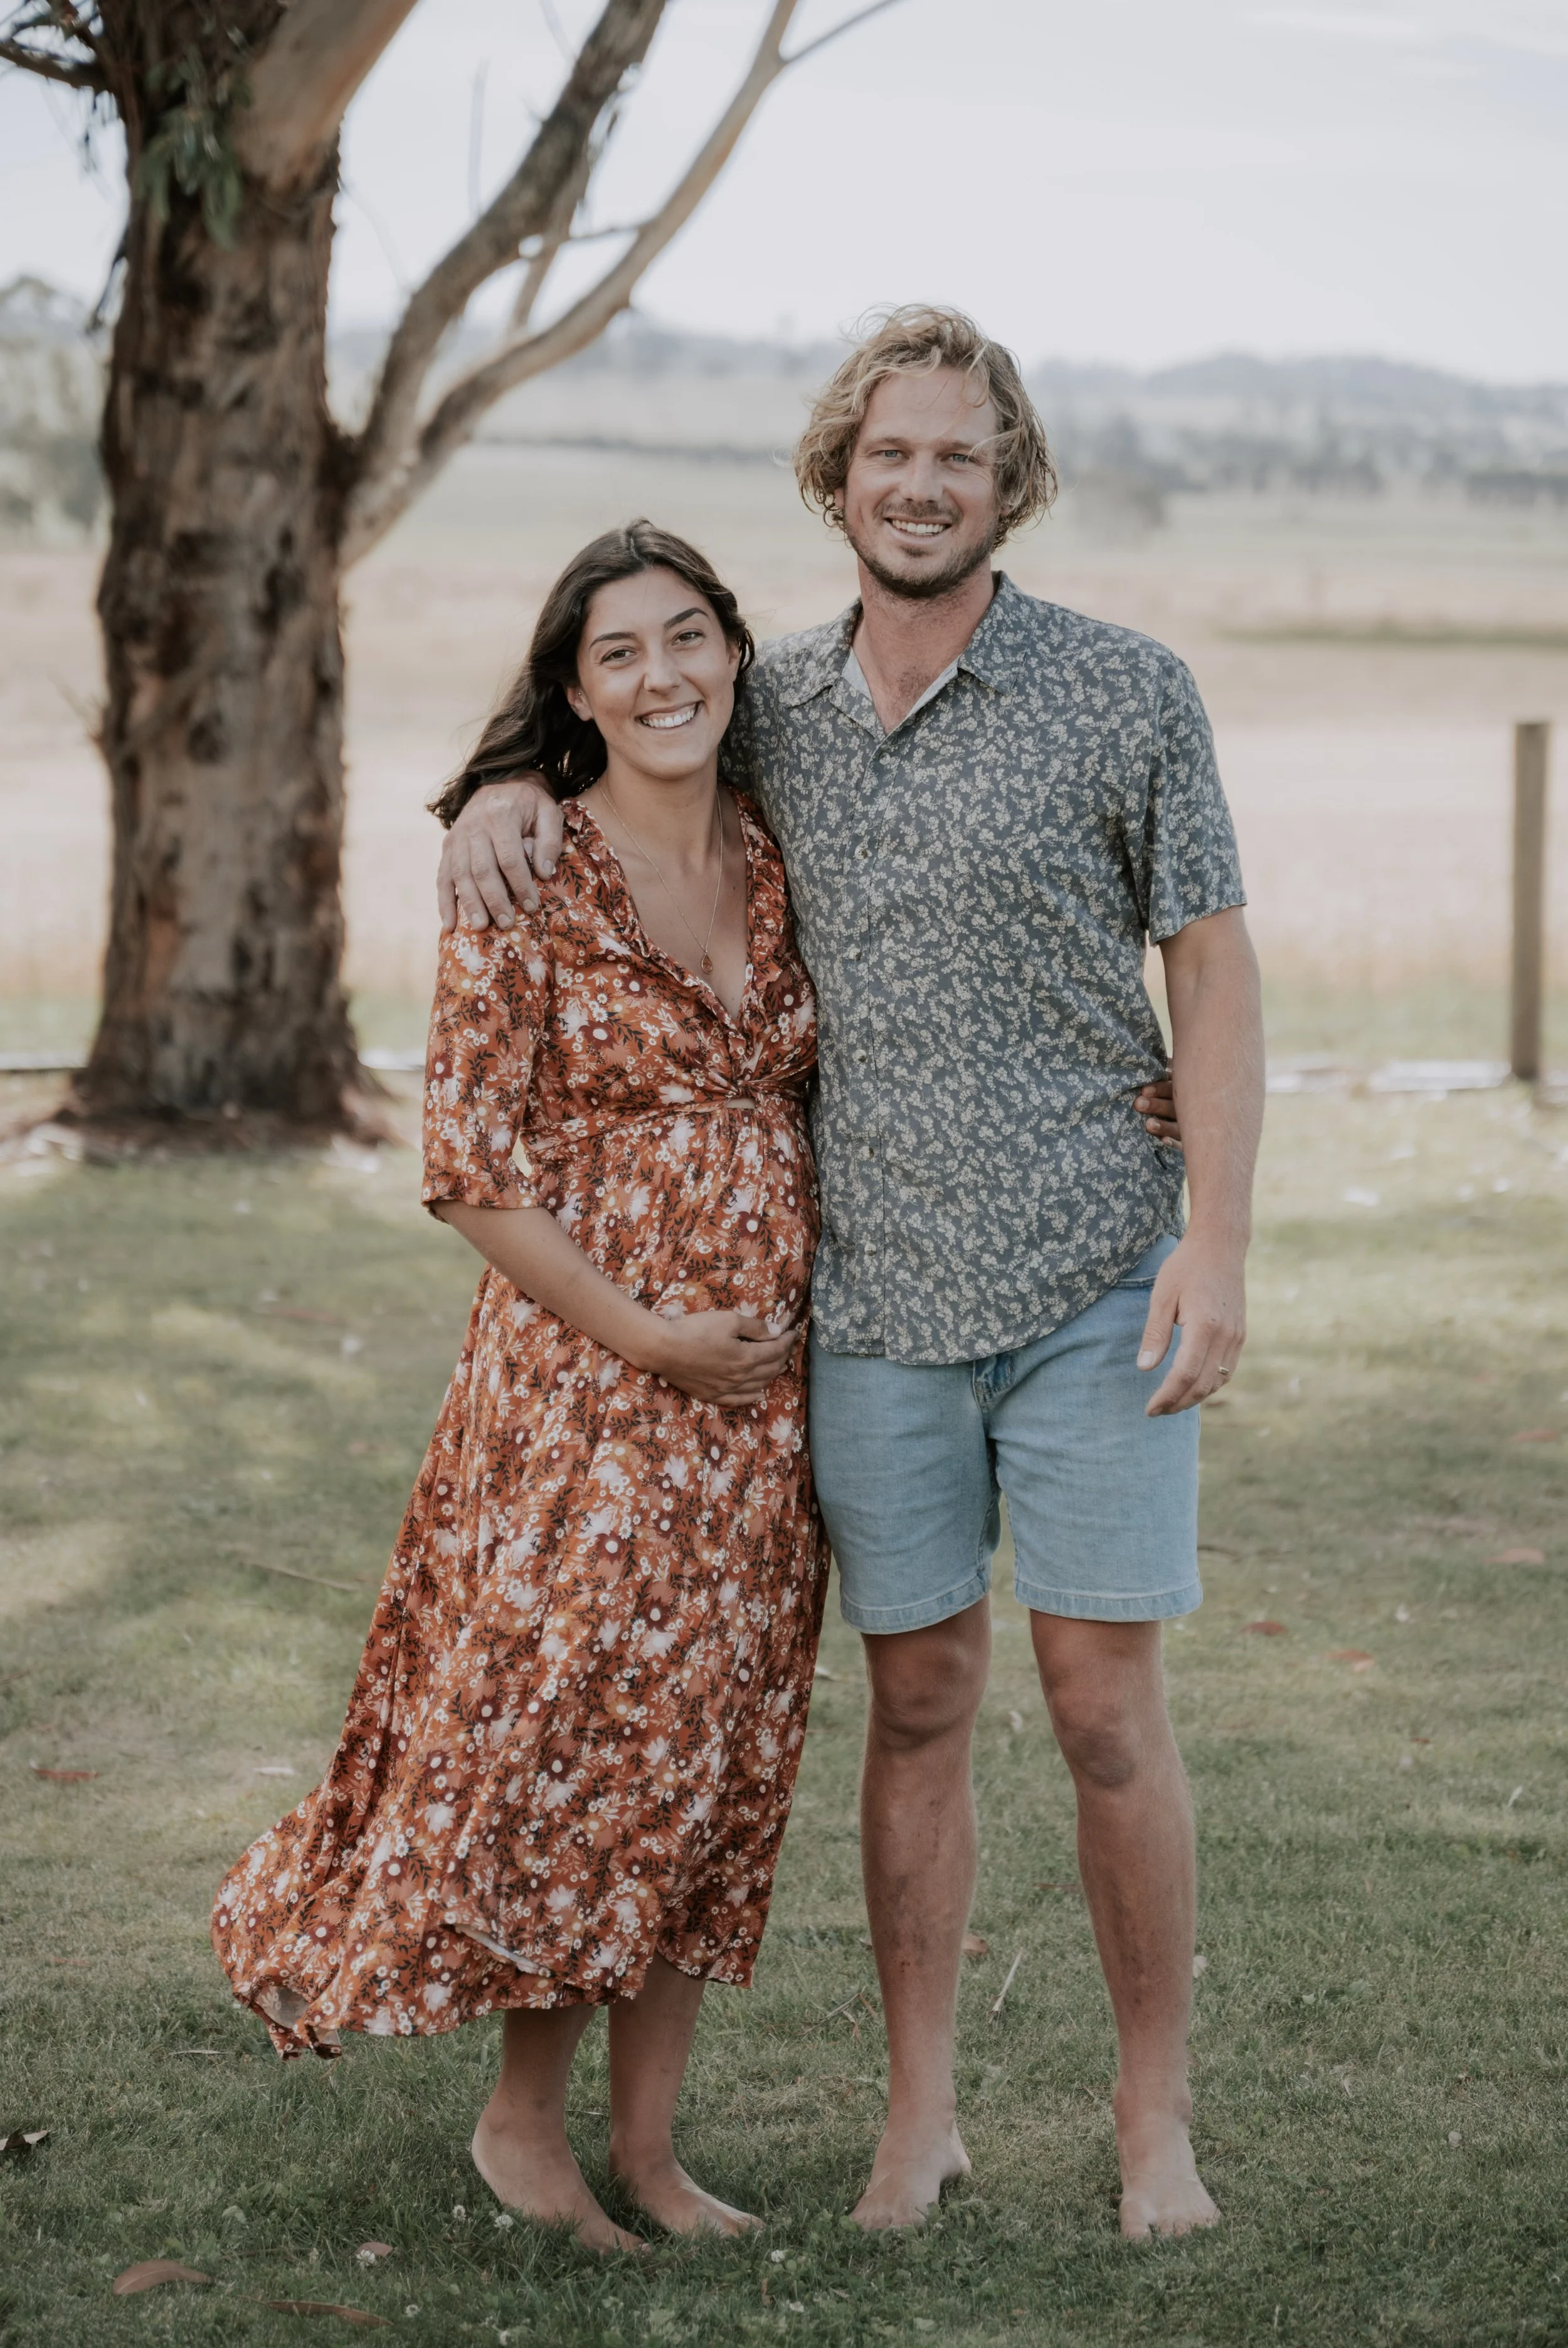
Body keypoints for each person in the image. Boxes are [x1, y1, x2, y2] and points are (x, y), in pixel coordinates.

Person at [438, 307, 1266, 2241]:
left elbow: (1211, 972)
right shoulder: (770, 703)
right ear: (835, 476)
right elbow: (605, 750)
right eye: (889, 453)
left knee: (1100, 1707)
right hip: (867, 1311)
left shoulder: (1126, 692)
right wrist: (494, 792)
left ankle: (1153, 2126)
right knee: (913, 1705)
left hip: (1092, 1278)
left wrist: (1214, 1239)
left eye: (958, 457)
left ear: (1008, 481)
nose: (920, 484)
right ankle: (920, 2123)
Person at [212, 523, 829, 2252]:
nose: (662, 676)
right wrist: (647, 1335)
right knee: (565, 1743)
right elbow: (473, 1166)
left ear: (731, 653)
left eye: (688, 636)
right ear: (569, 691)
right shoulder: (522, 872)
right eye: (617, 651)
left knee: (706, 1754)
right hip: (590, 1397)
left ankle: (650, 2149)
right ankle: (520, 2129)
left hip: (763, 1411)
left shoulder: (781, 853)